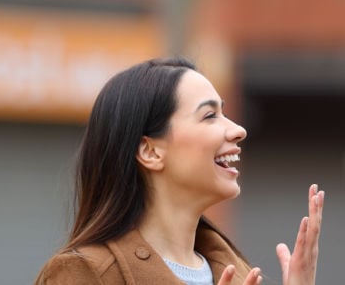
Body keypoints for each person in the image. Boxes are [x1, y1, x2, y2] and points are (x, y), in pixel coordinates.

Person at [35, 57, 324, 285]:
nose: (238, 130)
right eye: (209, 115)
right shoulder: (82, 274)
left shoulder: (237, 273)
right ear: (150, 151)